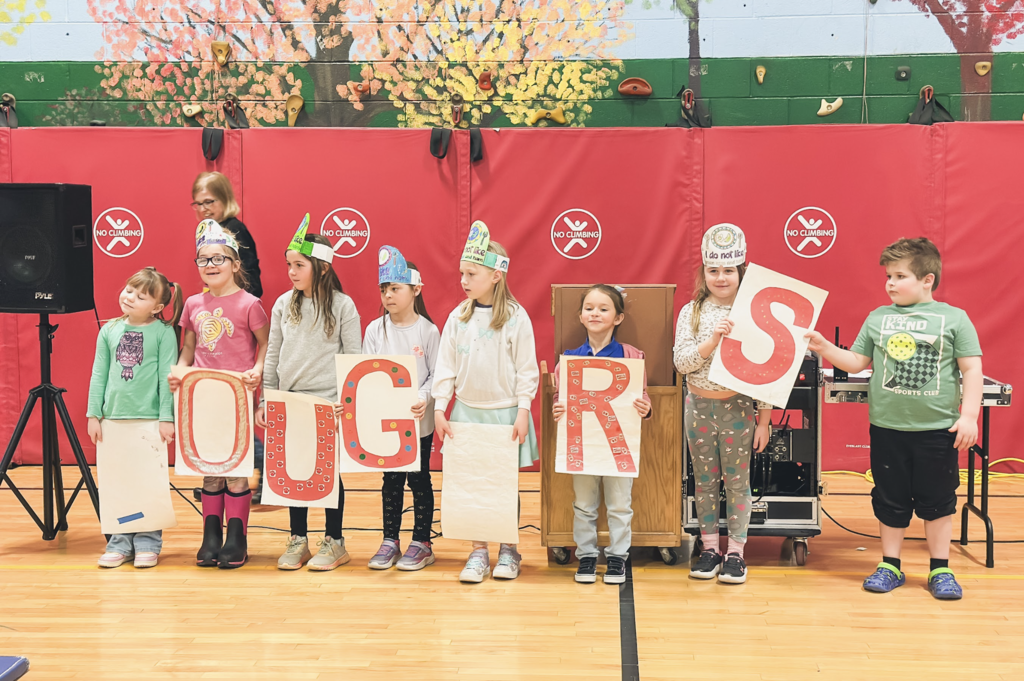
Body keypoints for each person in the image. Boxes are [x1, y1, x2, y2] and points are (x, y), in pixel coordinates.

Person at [806, 237, 982, 600]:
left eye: (899, 276)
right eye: (888, 275)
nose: (889, 283)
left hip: (937, 432)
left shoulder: (955, 319)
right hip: (888, 430)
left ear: (927, 280)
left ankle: (940, 569)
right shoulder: (878, 318)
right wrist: (825, 347)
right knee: (890, 499)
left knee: (938, 501)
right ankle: (890, 564)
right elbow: (857, 362)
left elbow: (973, 370)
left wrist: (968, 416)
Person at [433, 220, 539, 584]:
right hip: (465, 413)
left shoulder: (515, 318)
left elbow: (527, 369)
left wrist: (523, 409)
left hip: (505, 413)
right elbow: (445, 367)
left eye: (471, 273)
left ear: (496, 275)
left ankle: (509, 549)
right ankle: (478, 551)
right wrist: (439, 409)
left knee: (504, 485)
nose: (463, 280)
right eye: (461, 273)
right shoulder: (457, 318)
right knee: (472, 484)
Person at [256, 215, 361, 571]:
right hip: (289, 401)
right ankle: (298, 539)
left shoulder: (343, 306)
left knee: (328, 474)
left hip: (327, 404)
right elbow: (272, 354)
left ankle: (335, 542)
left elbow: (353, 359)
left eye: (298, 265)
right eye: (288, 265)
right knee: (293, 472)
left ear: (322, 268)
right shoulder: (284, 304)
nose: (291, 272)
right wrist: (266, 398)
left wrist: (345, 403)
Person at [672, 224, 772, 584]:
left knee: (736, 481)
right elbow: (681, 363)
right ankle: (710, 547)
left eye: (729, 270)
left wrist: (764, 420)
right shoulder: (692, 312)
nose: (721, 277)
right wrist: (712, 340)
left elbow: (764, 370)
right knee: (704, 481)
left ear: (741, 271)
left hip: (737, 409)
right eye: (713, 270)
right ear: (704, 272)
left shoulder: (754, 313)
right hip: (698, 407)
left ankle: (736, 553)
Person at [169, 220, 269, 569]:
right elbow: (189, 347)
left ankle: (236, 538)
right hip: (203, 396)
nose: (210, 266)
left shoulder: (249, 304)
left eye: (218, 259)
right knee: (210, 465)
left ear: (235, 264)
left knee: (236, 465)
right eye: (203, 260)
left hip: (237, 397)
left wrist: (257, 370)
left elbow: (264, 345)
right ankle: (210, 536)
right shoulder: (194, 304)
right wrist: (180, 369)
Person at [551, 284, 652, 584]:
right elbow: (561, 397)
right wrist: (559, 408)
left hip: (618, 442)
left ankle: (618, 557)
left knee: (621, 503)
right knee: (583, 503)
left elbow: (642, 394)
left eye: (604, 308)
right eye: (589, 308)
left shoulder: (631, 356)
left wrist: (645, 407)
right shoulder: (568, 360)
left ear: (618, 318)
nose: (595, 313)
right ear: (580, 316)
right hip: (583, 443)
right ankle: (586, 556)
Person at [88, 267, 183, 569]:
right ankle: (119, 541)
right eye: (129, 290)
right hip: (112, 420)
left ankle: (147, 541)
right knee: (117, 482)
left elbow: (165, 376)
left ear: (156, 307)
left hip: (148, 420)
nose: (130, 297)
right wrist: (94, 414)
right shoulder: (109, 330)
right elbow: (99, 374)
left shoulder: (163, 332)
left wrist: (165, 417)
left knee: (147, 482)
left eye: (141, 296)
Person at [362, 246, 441, 571]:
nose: (388, 295)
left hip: (417, 423)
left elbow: (437, 374)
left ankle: (422, 540)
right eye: (384, 289)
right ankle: (390, 539)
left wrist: (422, 398)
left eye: (395, 288)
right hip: (385, 424)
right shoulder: (374, 330)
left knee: (419, 479)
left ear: (415, 289)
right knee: (391, 480)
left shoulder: (428, 331)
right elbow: (366, 372)